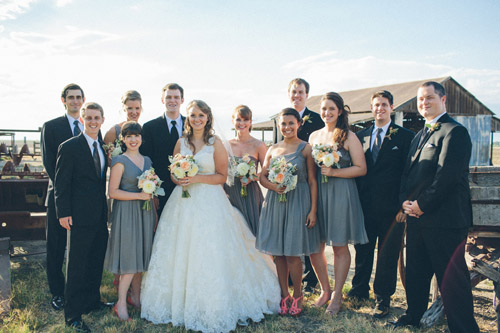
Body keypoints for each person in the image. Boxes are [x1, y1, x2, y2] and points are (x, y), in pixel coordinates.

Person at [141, 100, 280, 332]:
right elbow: (173, 173)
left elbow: (221, 176)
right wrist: (180, 178)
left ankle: (213, 301)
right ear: (188, 118)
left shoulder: (215, 143)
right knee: (181, 249)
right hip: (182, 202)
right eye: (193, 115)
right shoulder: (180, 142)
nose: (197, 119)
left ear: (208, 118)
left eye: (201, 115)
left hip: (210, 203)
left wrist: (195, 178)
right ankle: (179, 302)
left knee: (209, 249)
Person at [394, 82, 479, 332]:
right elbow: (407, 174)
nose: (424, 103)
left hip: (445, 220)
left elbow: (447, 177)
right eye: (420, 100)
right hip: (417, 218)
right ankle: (413, 317)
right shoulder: (419, 135)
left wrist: (423, 204)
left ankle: (463, 327)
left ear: (443, 100)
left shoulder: (455, 132)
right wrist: (405, 201)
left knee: (451, 280)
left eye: (429, 98)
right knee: (417, 274)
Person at [348, 90, 414, 318]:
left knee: (387, 254)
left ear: (392, 108)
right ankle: (358, 291)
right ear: (371, 107)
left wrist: (403, 206)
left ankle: (382, 298)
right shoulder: (361, 136)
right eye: (376, 105)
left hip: (392, 210)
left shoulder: (405, 136)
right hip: (364, 206)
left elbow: (409, 173)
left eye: (384, 105)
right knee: (362, 250)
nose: (380, 109)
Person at [256, 108, 320, 316]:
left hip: (297, 202)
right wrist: (273, 186)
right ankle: (284, 295)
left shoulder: (305, 148)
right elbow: (262, 176)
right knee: (278, 254)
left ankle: (298, 295)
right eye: (283, 124)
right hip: (276, 202)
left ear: (299, 124)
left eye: (291, 123)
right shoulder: (273, 148)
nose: (287, 127)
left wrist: (313, 210)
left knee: (293, 254)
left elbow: (312, 180)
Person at [54, 102, 113, 332]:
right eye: (88, 118)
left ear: (102, 119)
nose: (92, 121)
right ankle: (73, 315)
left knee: (95, 260)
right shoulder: (69, 147)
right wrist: (63, 212)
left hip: (99, 215)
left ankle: (92, 301)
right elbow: (61, 183)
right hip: (77, 217)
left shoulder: (103, 147)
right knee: (77, 265)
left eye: (96, 117)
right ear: (82, 120)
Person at [309, 92, 368, 315]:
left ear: (340, 111)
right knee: (315, 247)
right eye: (324, 109)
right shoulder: (314, 136)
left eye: (331, 109)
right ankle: (325, 289)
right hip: (318, 194)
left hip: (341, 193)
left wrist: (335, 171)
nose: (327, 113)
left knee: (339, 246)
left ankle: (337, 295)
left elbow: (361, 168)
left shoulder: (348, 137)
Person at [103, 121, 155, 321]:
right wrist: (139, 197)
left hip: (145, 213)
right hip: (126, 213)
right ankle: (121, 304)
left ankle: (136, 298)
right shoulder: (119, 160)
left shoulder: (148, 161)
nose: (133, 140)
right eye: (129, 136)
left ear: (141, 138)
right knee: (129, 260)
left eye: (136, 136)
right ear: (123, 140)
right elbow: (113, 192)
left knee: (141, 258)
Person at [41, 83, 85, 310]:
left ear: (83, 100)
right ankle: (57, 293)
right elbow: (50, 165)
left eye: (78, 97)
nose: (75, 101)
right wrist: (66, 197)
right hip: (59, 198)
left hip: (83, 201)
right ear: (63, 100)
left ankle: (80, 289)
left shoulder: (89, 126)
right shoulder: (52, 127)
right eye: (71, 97)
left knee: (80, 247)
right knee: (56, 247)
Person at [103, 90, 143, 291]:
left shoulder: (142, 130)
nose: (133, 112)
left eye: (137, 108)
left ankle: (134, 290)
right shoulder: (113, 131)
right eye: (130, 108)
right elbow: (104, 161)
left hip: (141, 193)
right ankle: (120, 282)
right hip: (121, 189)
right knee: (123, 238)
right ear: (123, 108)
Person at [288, 78, 324, 292]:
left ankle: (311, 280)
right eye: (293, 92)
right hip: (288, 181)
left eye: (300, 92)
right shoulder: (281, 118)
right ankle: (294, 278)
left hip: (310, 178)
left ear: (307, 95)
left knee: (310, 229)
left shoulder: (318, 119)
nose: (297, 96)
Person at [140, 83, 185, 214]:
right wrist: (153, 191)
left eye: (176, 97)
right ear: (162, 100)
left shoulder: (191, 125)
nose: (172, 100)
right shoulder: (149, 127)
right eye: (168, 97)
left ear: (182, 100)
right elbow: (147, 160)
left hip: (188, 188)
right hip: (161, 190)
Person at [223, 105, 267, 236]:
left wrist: (252, 177)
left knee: (253, 232)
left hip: (250, 194)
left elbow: (267, 172)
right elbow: (222, 171)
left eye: (245, 120)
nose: (241, 123)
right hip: (230, 193)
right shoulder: (226, 145)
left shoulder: (258, 145)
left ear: (250, 122)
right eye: (238, 120)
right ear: (233, 121)